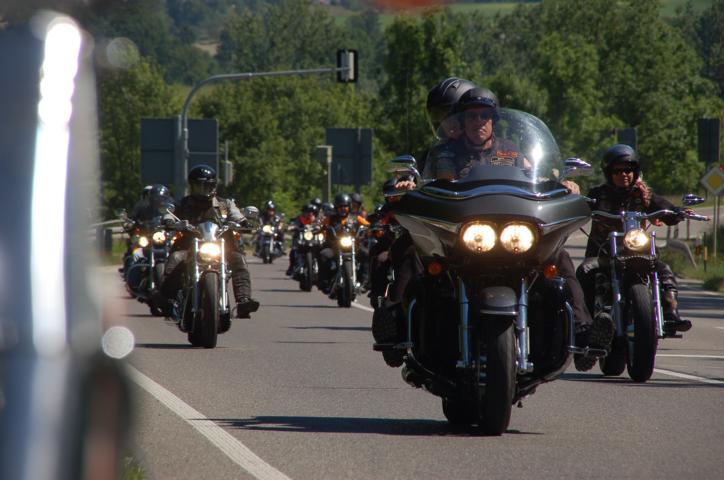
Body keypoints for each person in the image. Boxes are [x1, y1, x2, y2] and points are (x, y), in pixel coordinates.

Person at [386, 86, 607, 371]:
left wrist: (561, 184)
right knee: (414, 251)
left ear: (494, 120)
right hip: (465, 232)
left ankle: (582, 331)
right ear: (463, 120)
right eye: (472, 116)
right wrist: (411, 187)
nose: (478, 121)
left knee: (558, 257)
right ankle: (395, 327)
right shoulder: (445, 152)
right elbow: (432, 183)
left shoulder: (511, 150)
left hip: (511, 230)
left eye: (485, 116)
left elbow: (535, 176)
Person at [577, 144, 692, 336]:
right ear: (609, 173)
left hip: (638, 252)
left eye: (628, 170)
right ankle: (585, 324)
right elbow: (579, 208)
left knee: (664, 270)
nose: (624, 174)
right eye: (618, 170)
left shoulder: (643, 195)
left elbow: (664, 208)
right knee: (585, 270)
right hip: (603, 254)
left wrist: (677, 212)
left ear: (635, 171)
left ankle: (670, 313)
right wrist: (572, 207)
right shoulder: (597, 195)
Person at [154, 165, 259, 322]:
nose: (204, 189)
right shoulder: (183, 203)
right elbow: (171, 214)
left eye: (207, 185)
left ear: (214, 186)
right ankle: (167, 299)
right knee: (175, 258)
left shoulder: (224, 204)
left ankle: (243, 301)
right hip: (190, 247)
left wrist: (244, 222)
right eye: (199, 185)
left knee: (239, 259)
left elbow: (236, 214)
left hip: (221, 247)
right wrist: (169, 221)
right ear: (192, 186)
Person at [318, 193, 370, 295]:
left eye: (345, 206)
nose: (343, 208)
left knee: (367, 254)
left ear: (349, 206)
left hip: (353, 246)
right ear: (336, 207)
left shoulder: (356, 217)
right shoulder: (331, 218)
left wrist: (372, 227)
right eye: (340, 206)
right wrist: (318, 228)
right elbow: (321, 225)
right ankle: (324, 281)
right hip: (335, 247)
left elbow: (367, 224)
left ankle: (365, 281)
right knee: (323, 254)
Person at [286, 203, 319, 276]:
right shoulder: (299, 219)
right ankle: (291, 267)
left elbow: (321, 225)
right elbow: (293, 224)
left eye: (312, 212)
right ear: (304, 212)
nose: (310, 213)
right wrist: (292, 227)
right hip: (301, 240)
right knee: (293, 251)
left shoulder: (316, 220)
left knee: (322, 250)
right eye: (308, 211)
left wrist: (321, 227)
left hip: (313, 240)